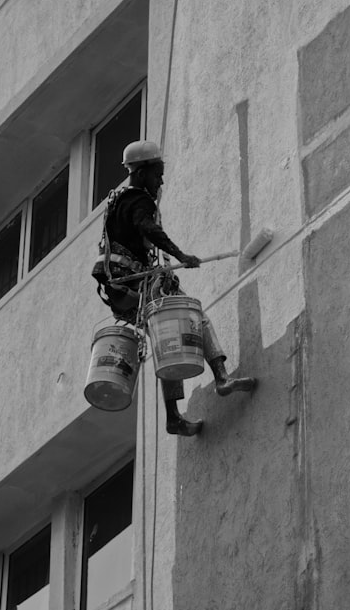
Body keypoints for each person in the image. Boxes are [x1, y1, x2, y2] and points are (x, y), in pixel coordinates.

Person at [92, 140, 256, 436]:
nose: (161, 181)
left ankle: (173, 418)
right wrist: (181, 256)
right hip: (138, 283)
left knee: (167, 340)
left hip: (120, 292)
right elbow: (148, 228)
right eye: (158, 174)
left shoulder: (117, 200)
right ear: (142, 173)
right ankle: (221, 377)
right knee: (193, 316)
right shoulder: (139, 200)